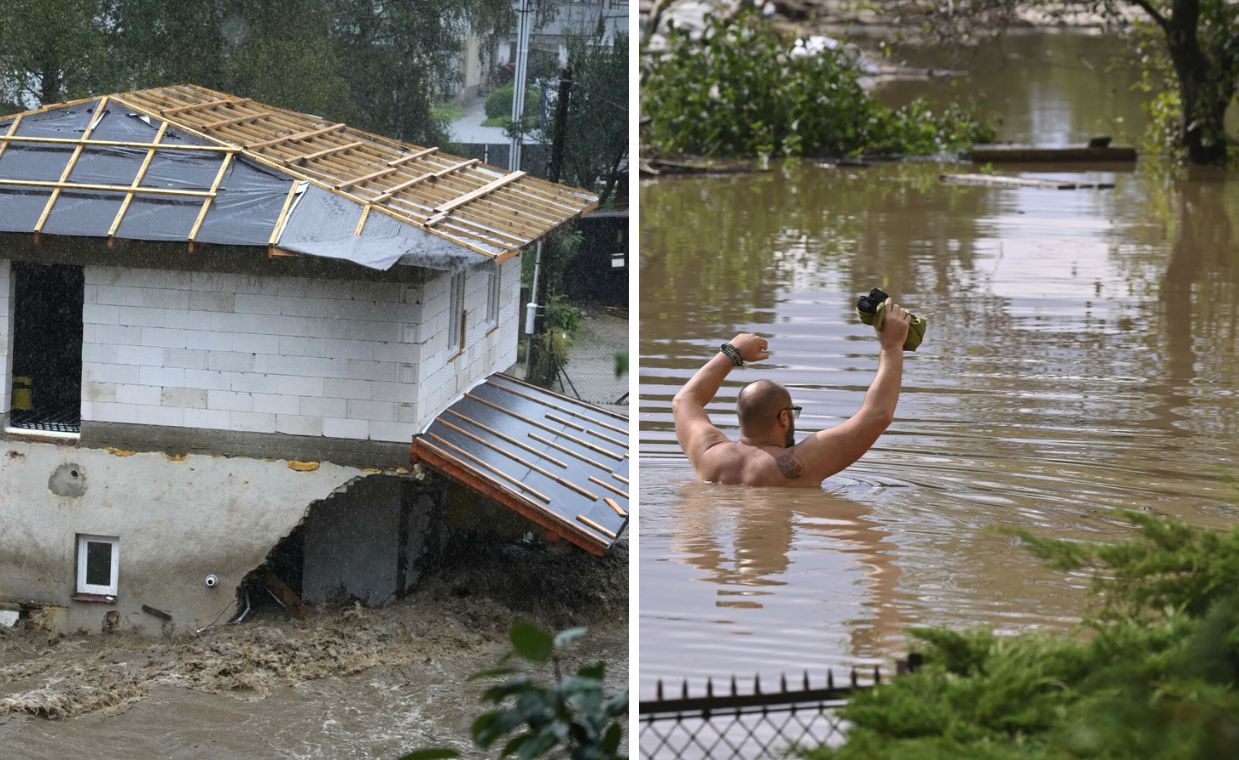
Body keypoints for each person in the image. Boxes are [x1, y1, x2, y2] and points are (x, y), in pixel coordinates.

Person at [672, 298, 911, 487]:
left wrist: (731, 352)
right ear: (783, 417)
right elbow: (877, 415)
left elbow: (685, 400)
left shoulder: (707, 454)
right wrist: (891, 347)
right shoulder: (801, 463)